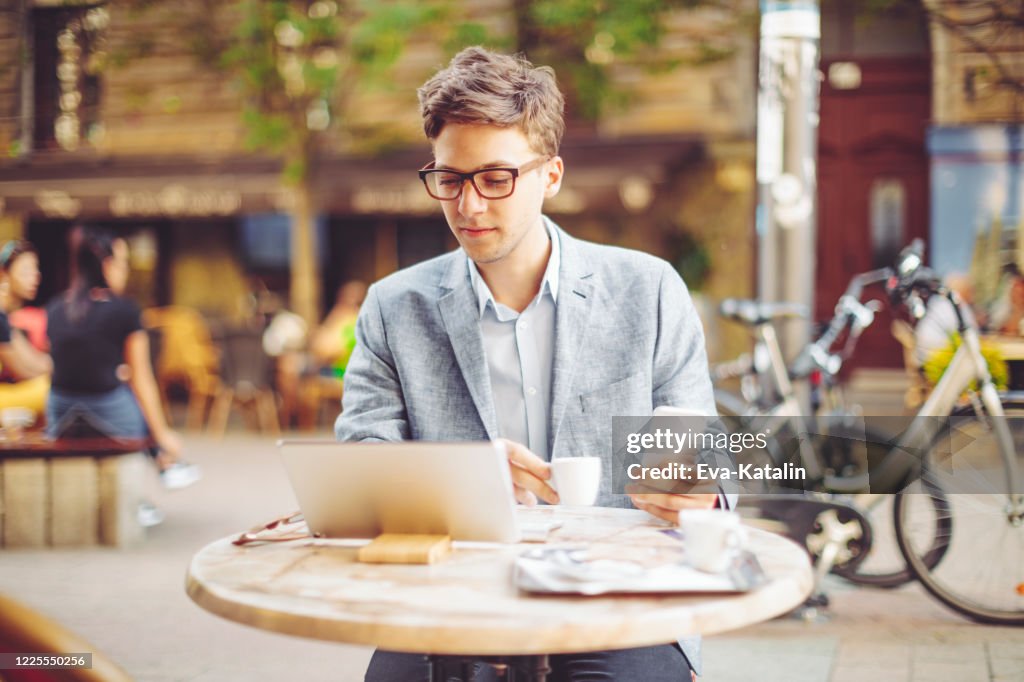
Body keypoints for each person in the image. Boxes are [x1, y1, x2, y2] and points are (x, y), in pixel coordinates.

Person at [335, 47, 731, 682]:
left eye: (495, 179)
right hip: (450, 596)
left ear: (550, 175)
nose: (467, 207)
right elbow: (359, 468)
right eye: (451, 179)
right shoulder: (392, 307)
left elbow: (702, 458)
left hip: (619, 598)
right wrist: (463, 479)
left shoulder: (648, 290)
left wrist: (698, 490)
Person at [45, 228, 200, 493]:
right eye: (123, 263)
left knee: (121, 385)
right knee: (131, 392)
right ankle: (162, 465)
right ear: (106, 265)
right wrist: (162, 433)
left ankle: (160, 468)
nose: (125, 270)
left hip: (59, 413)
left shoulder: (57, 307)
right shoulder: (125, 309)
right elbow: (142, 377)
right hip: (108, 412)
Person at [0, 240, 52, 417]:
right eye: (25, 271)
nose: (35, 277)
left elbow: (31, 360)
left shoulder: (4, 315)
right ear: (4, 275)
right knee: (53, 391)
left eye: (35, 270)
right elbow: (23, 370)